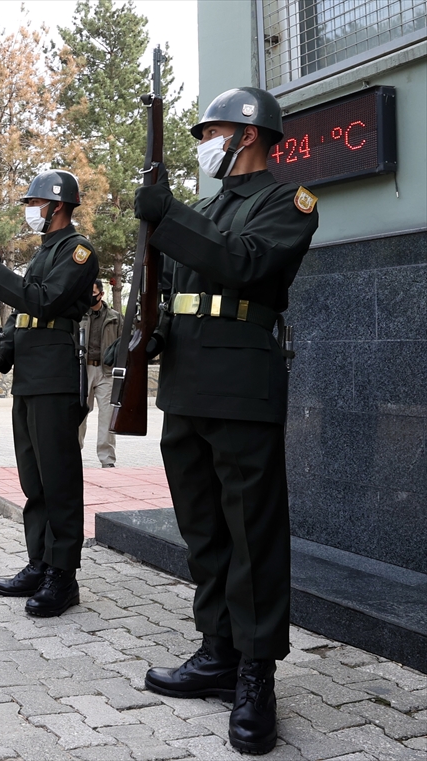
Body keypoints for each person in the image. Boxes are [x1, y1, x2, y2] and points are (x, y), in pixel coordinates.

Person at [133, 87, 319, 756]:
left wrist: (169, 215)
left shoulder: (289, 202)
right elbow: (182, 286)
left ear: (248, 134)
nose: (204, 144)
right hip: (186, 384)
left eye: (211, 131)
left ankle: (255, 672)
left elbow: (243, 264)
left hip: (243, 383)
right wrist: (151, 333)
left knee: (252, 535)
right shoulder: (207, 208)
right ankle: (216, 650)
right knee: (204, 530)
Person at [0, 169, 97, 617]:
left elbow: (43, 301)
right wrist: (2, 352)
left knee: (59, 480)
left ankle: (63, 576)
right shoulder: (44, 251)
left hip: (55, 376)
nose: (30, 211)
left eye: (35, 203)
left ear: (58, 205)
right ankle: (39, 561)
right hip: (30, 376)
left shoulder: (78, 251)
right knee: (33, 478)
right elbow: (20, 313)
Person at [78, 280, 122, 468]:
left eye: (93, 292)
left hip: (107, 372)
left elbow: (123, 344)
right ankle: (72, 454)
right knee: (78, 415)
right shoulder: (78, 315)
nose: (90, 296)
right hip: (83, 370)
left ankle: (107, 459)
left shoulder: (115, 317)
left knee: (107, 415)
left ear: (101, 294)